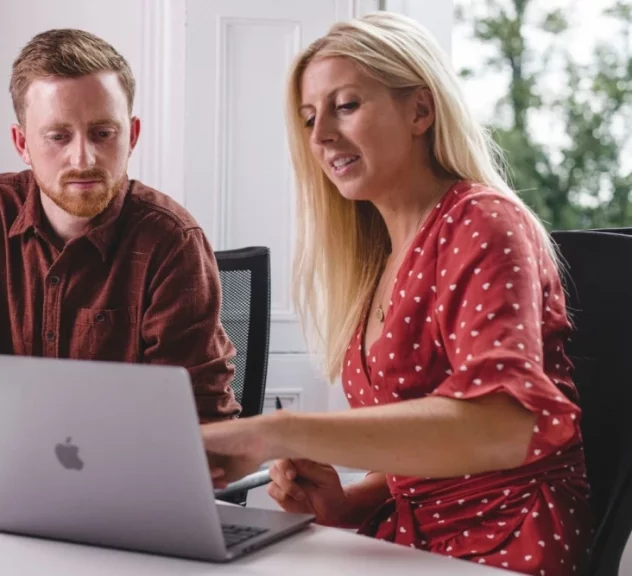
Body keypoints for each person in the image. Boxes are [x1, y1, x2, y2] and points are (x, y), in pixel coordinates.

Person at [201, 12, 592, 575]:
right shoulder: (378, 260)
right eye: (310, 118)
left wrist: (275, 432)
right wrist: (345, 503)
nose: (321, 136)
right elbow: (420, 453)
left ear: (420, 110)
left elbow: (501, 424)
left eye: (346, 105)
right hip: (407, 539)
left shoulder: (482, 221)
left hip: (503, 541)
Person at [0, 28, 240, 437]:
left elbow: (197, 421)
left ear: (133, 135)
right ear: (22, 143)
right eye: (58, 136)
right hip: (0, 476)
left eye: (103, 133)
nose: (83, 157)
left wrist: (7, 420)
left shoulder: (171, 241)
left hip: (126, 487)